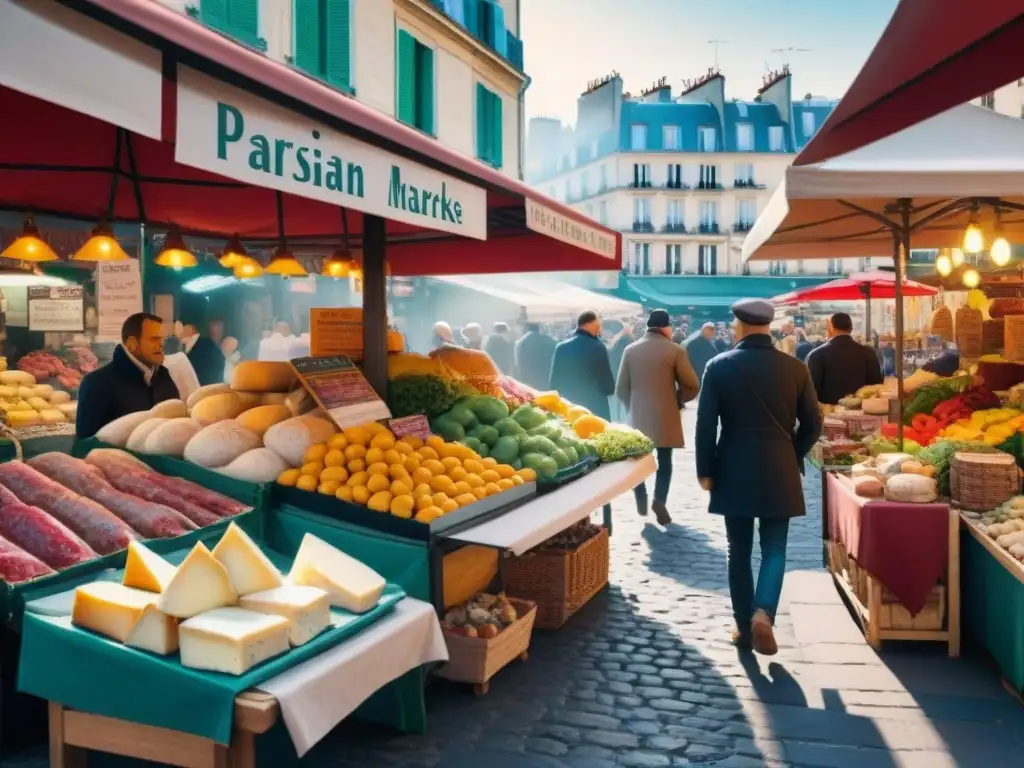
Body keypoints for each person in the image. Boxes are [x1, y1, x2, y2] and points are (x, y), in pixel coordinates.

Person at [695, 299, 822, 655]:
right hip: (779, 465)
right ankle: (763, 613)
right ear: (769, 327)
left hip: (733, 465)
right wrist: (792, 453)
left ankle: (742, 626)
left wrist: (705, 471)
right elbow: (814, 423)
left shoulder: (718, 366)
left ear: (738, 326)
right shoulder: (795, 368)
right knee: (775, 547)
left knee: (739, 549)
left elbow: (706, 427)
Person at [616, 309, 700, 525]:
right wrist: (679, 399)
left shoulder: (630, 349)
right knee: (664, 461)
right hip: (665, 415)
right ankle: (659, 501)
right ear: (665, 327)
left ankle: (641, 496)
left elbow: (621, 389)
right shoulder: (675, 350)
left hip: (638, 415)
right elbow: (692, 384)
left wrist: (631, 407)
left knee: (637, 461)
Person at [76, 312, 180, 439]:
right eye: (154, 339)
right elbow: (85, 443)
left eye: (162, 339)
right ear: (132, 344)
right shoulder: (96, 383)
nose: (161, 344)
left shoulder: (163, 376)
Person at [805, 312, 884, 405]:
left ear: (830, 327)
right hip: (862, 412)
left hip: (829, 414)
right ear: (851, 329)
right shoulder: (868, 352)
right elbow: (876, 387)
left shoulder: (817, 354)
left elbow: (811, 392)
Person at [548, 311, 615, 420]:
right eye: (599, 324)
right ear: (591, 324)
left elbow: (554, 383)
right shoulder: (598, 347)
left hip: (569, 407)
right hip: (595, 408)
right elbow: (607, 384)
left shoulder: (561, 347)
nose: (600, 328)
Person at [514, 322, 556, 391]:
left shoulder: (520, 342)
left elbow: (517, 364)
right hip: (545, 379)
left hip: (528, 381)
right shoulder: (549, 340)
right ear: (538, 328)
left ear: (526, 328)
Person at [684, 322, 718, 386]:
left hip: (702, 375)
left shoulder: (709, 343)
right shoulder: (693, 343)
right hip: (699, 376)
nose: (712, 334)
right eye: (710, 331)